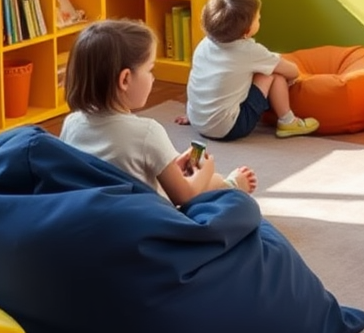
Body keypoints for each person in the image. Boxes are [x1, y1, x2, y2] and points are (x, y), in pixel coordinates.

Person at [60, 18, 256, 204]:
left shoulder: (72, 123)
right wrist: (207, 169)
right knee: (214, 183)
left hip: (92, 219)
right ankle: (231, 186)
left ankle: (225, 184)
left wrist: (166, 163)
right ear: (125, 79)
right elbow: (184, 196)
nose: (153, 78)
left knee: (192, 178)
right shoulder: (147, 132)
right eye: (149, 69)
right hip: (140, 225)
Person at [182, 0, 319, 141]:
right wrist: (274, 61)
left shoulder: (204, 44)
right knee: (271, 73)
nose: (259, 19)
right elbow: (293, 71)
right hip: (230, 129)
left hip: (197, 119)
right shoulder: (249, 51)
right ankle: (288, 121)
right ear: (247, 31)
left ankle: (200, 115)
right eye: (258, 18)